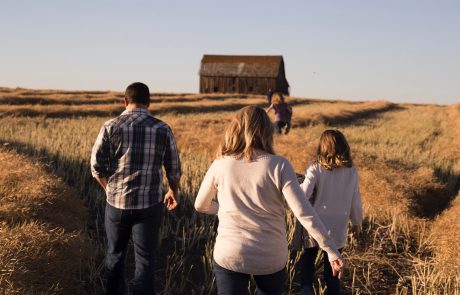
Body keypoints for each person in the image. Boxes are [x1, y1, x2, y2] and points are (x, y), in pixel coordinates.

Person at [194, 106, 343, 295]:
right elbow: (303, 212)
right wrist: (330, 249)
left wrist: (226, 208)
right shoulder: (279, 165)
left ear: (236, 129)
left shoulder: (220, 164)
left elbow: (200, 205)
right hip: (270, 256)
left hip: (230, 253)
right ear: (267, 130)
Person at [90, 82, 181, 295]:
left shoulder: (110, 126)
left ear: (125, 101)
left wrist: (108, 189)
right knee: (146, 260)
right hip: (149, 206)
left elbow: (96, 167)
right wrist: (173, 191)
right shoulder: (162, 128)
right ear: (149, 103)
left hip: (116, 204)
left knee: (114, 256)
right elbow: (174, 168)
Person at [295, 129, 363, 295]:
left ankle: (306, 288)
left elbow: (303, 195)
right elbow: (356, 199)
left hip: (316, 224)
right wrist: (356, 222)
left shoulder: (315, 168)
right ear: (345, 147)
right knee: (333, 266)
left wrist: (298, 183)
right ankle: (333, 291)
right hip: (339, 226)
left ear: (322, 147)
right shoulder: (351, 171)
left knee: (309, 257)